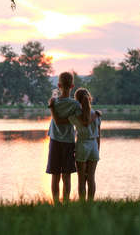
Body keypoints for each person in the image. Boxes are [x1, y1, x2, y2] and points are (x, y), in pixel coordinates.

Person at [50, 88, 101, 201]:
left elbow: (59, 121)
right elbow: (99, 136)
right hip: (94, 146)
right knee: (91, 178)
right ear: (89, 99)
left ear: (77, 102)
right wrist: (97, 149)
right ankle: (90, 203)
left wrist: (53, 107)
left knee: (81, 179)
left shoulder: (75, 116)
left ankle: (82, 203)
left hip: (82, 145)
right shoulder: (96, 115)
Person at [46, 72, 88, 203]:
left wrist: (52, 108)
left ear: (59, 85)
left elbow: (57, 121)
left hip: (55, 142)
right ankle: (66, 201)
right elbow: (78, 120)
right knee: (67, 175)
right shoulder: (75, 105)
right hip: (69, 142)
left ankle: (55, 202)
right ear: (72, 86)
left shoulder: (54, 102)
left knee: (55, 175)